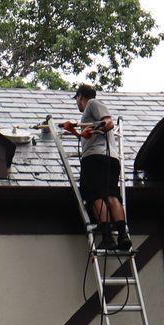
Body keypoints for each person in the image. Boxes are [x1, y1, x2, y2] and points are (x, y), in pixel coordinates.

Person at [61, 82, 130, 252]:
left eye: (76, 99)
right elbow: (90, 135)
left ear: (80, 97)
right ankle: (122, 235)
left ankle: (107, 238)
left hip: (95, 158)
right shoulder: (89, 116)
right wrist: (75, 131)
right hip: (110, 159)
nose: (77, 103)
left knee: (96, 196)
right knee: (111, 195)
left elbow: (107, 123)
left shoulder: (92, 104)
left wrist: (99, 127)